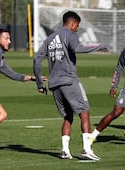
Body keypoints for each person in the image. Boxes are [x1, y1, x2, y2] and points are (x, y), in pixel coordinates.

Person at [33, 11, 107, 161]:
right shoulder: (70, 34)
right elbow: (77, 48)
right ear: (72, 23)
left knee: (68, 116)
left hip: (54, 84)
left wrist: (40, 84)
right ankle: (87, 149)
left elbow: (36, 60)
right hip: (69, 80)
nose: (77, 29)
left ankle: (65, 151)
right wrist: (98, 47)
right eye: (77, 26)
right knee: (84, 112)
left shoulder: (49, 38)